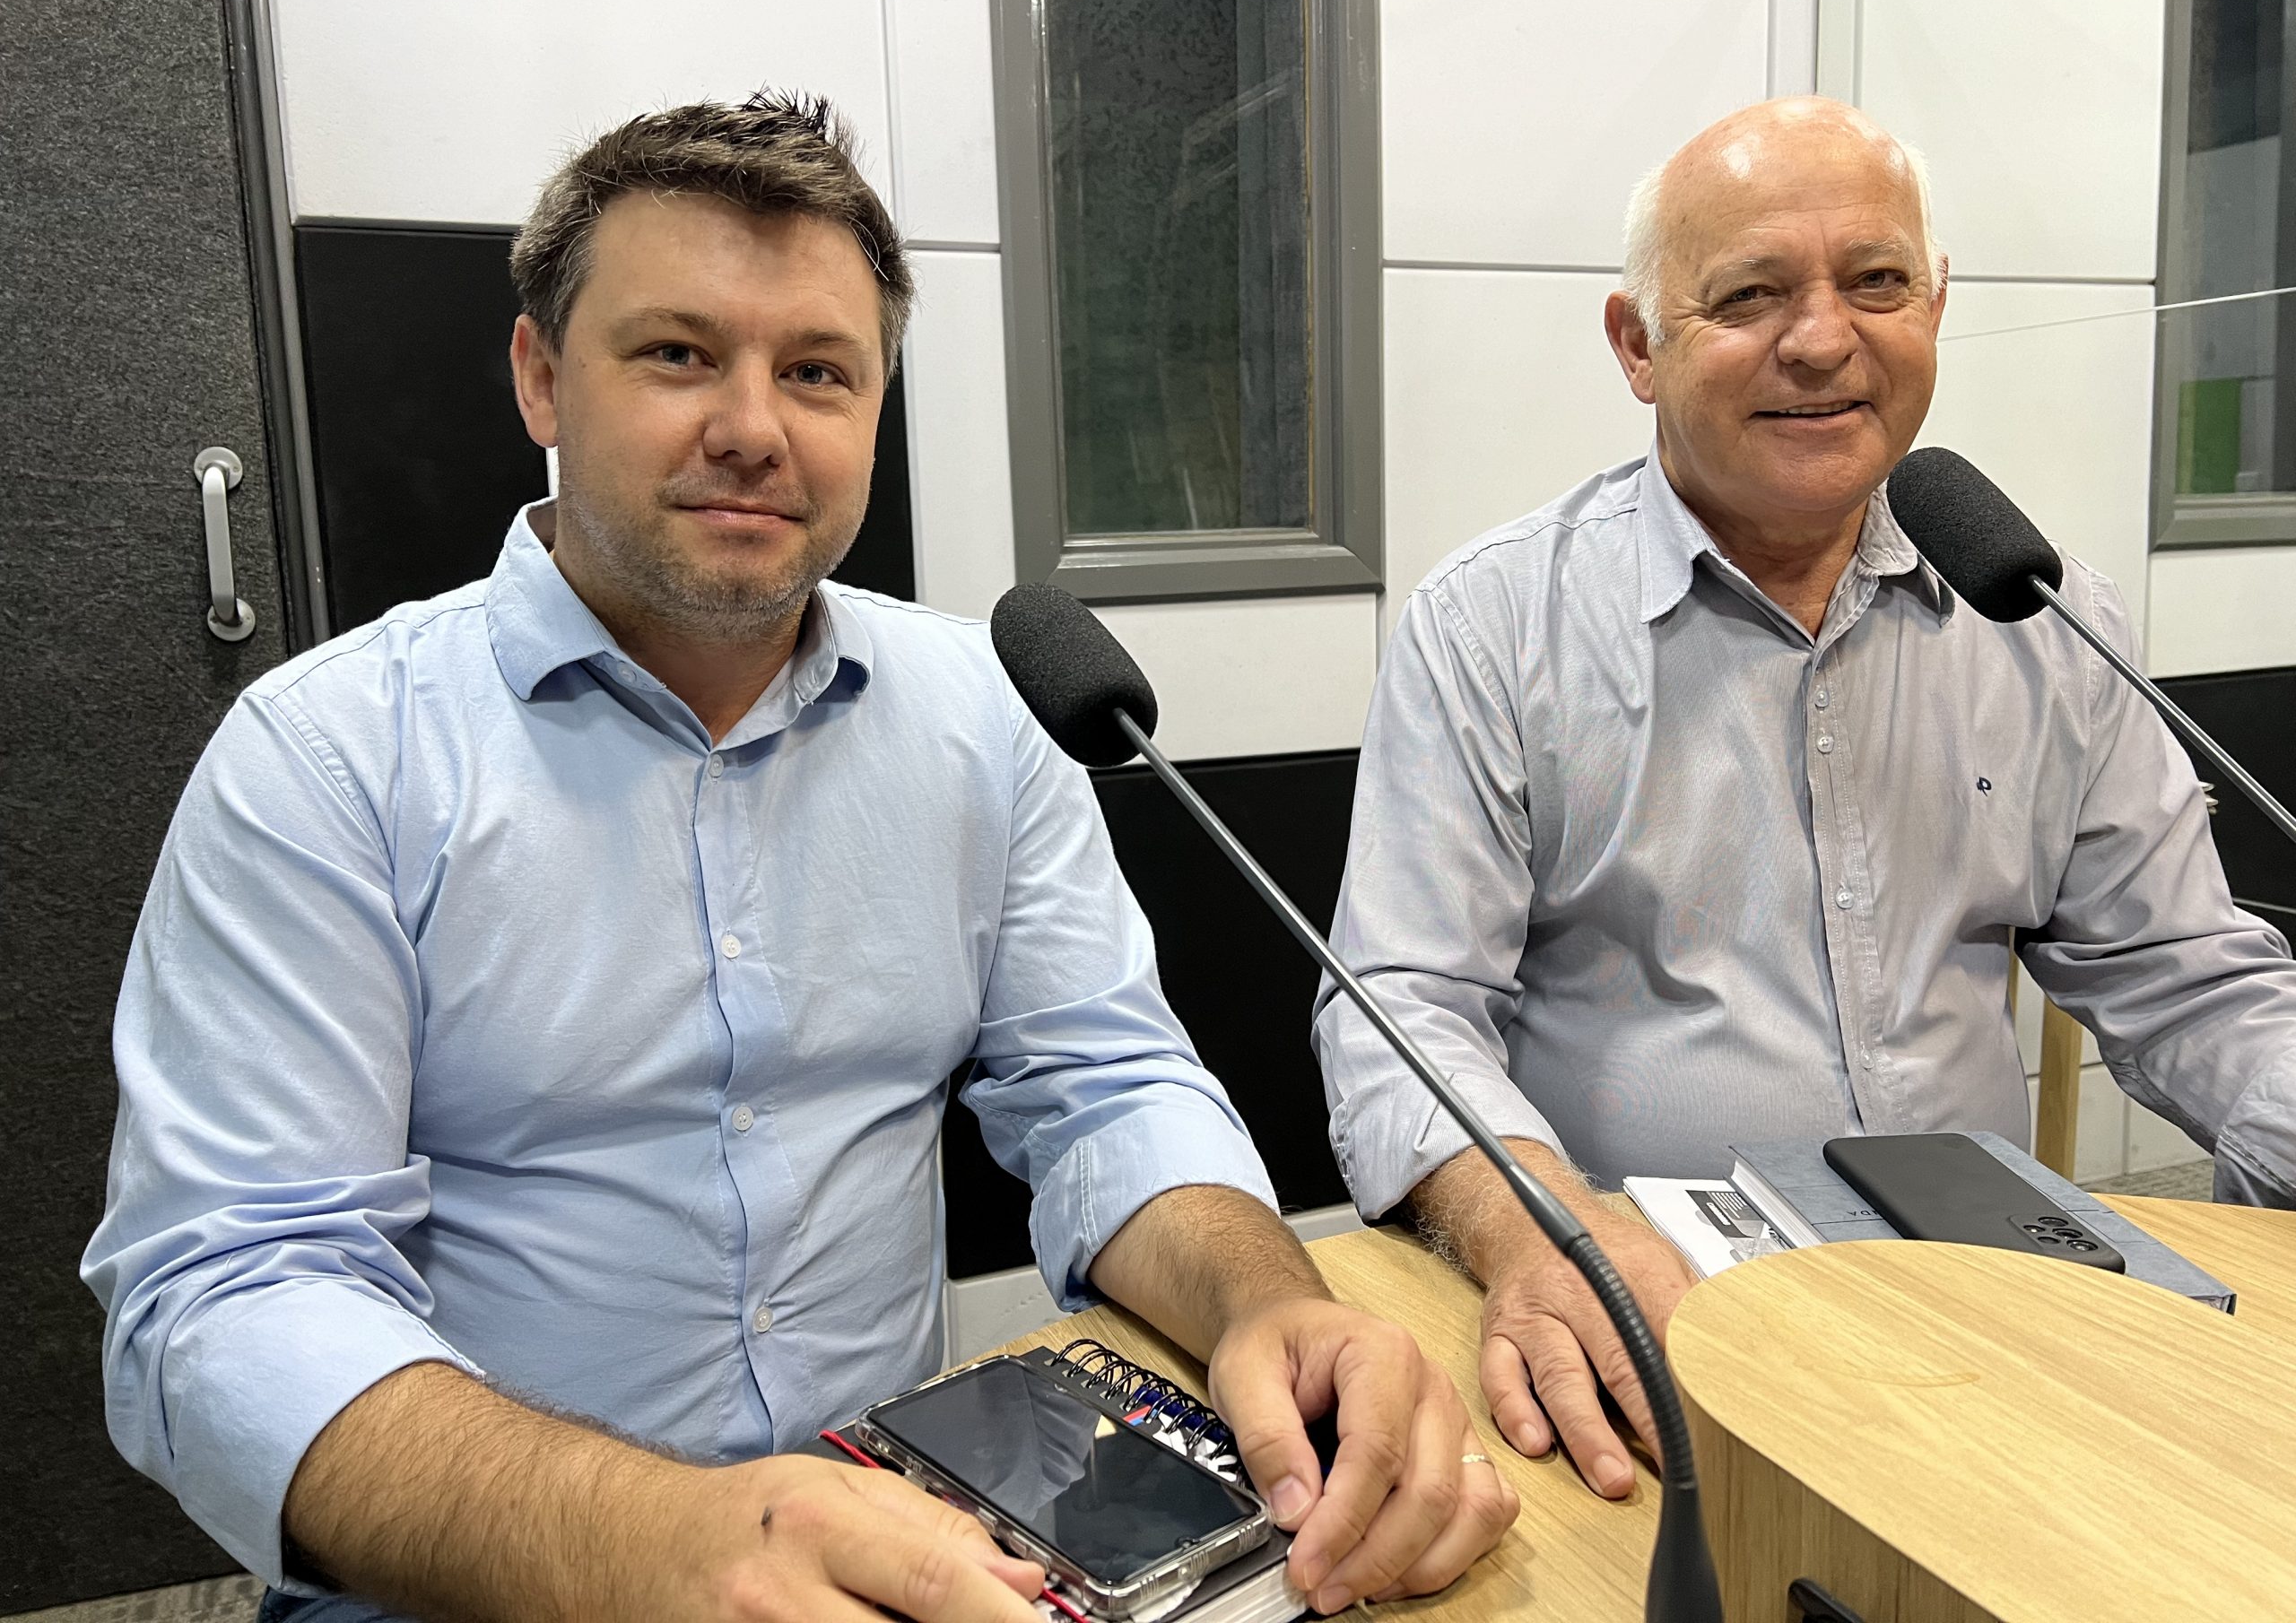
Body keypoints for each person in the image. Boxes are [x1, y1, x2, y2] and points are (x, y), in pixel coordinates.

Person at [84, 93, 1514, 1623]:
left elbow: (1104, 1090)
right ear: (540, 376)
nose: (755, 429)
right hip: (469, 1585)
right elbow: (228, 1299)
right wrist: (656, 1540)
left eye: (818, 372)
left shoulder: (982, 717)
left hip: (906, 1547)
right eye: (678, 354)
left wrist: (1267, 1302)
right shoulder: (327, 760)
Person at [1313, 95, 2296, 1507]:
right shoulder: (1494, 627)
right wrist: (1541, 1235)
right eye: (1751, 295)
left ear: (1936, 308)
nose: (1824, 340)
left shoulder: (2042, 614)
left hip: (1989, 1315)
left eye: (1876, 281)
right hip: (1644, 1333)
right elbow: (1400, 1010)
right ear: (1638, 345)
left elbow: (2185, 978)